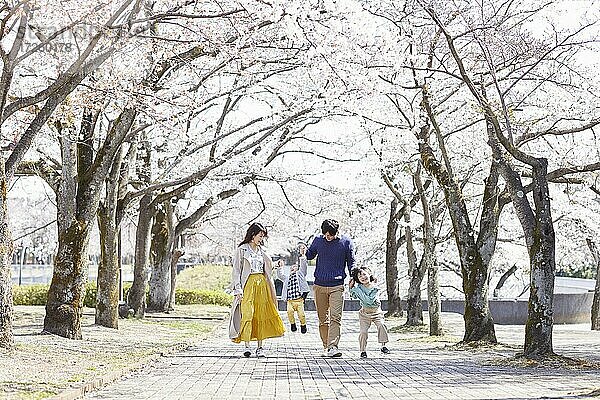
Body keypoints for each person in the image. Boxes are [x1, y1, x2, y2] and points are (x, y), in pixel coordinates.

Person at [228, 222, 284, 358]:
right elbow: (236, 270)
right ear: (253, 235)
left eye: (263, 236)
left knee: (261, 314)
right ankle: (247, 346)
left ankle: (260, 347)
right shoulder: (242, 250)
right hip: (248, 285)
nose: (261, 239)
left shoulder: (262, 251)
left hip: (262, 285)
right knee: (247, 314)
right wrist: (237, 289)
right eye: (260, 235)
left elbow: (268, 268)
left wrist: (277, 265)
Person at [306, 219, 355, 358]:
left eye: (331, 235)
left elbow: (351, 261)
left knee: (335, 317)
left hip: (337, 286)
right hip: (319, 285)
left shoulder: (345, 242)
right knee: (323, 319)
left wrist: (353, 276)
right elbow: (310, 255)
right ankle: (326, 346)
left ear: (336, 232)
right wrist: (306, 250)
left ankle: (333, 346)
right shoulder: (318, 240)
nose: (328, 237)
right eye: (326, 235)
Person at [349, 266, 390, 358]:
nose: (363, 277)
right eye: (360, 276)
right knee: (363, 332)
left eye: (364, 274)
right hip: (364, 313)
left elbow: (368, 300)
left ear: (369, 274)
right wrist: (350, 287)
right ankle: (363, 351)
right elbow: (353, 296)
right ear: (357, 279)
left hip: (377, 313)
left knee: (381, 326)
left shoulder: (375, 287)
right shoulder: (359, 287)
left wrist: (356, 290)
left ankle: (383, 345)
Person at [274, 252, 310, 334]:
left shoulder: (300, 275)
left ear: (298, 268)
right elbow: (280, 275)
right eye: (291, 267)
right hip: (290, 301)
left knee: (301, 315)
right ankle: (293, 324)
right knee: (289, 312)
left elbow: (303, 267)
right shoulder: (287, 278)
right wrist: (280, 267)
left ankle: (303, 325)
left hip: (299, 300)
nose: (292, 268)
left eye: (295, 267)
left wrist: (303, 256)